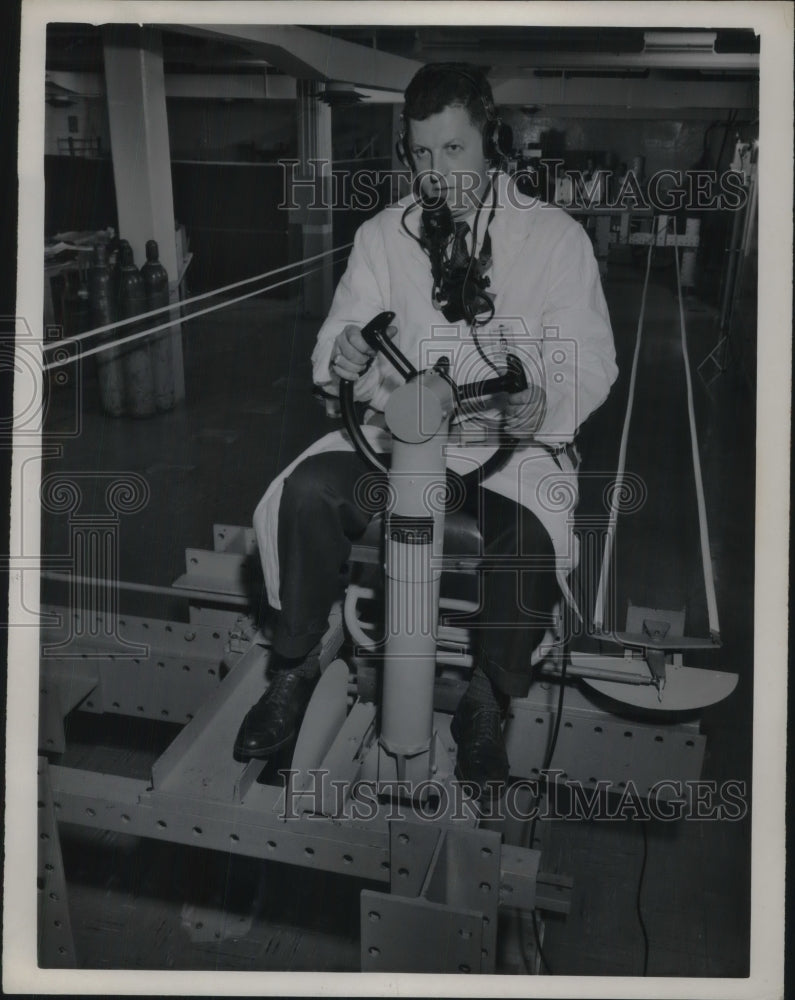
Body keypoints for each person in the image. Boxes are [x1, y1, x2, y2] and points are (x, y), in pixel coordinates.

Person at [234, 63, 618, 800]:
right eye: (420, 155)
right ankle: (295, 666)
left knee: (531, 539)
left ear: (490, 143)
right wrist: (345, 358)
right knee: (306, 491)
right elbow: (339, 339)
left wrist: (542, 402)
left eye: (452, 151)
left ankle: (486, 699)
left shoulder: (555, 240)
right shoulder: (383, 236)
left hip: (508, 452)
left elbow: (591, 359)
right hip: (397, 443)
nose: (435, 174)